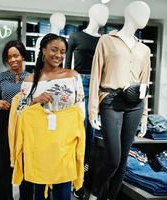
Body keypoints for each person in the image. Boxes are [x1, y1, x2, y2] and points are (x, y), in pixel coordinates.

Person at [88, 1, 151, 200]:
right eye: (143, 12)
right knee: (113, 159)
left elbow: (145, 84)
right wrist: (92, 109)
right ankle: (95, 191)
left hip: (135, 104)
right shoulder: (106, 40)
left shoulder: (144, 49)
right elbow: (96, 76)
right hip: (111, 100)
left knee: (123, 160)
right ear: (129, 13)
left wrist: (144, 116)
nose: (146, 16)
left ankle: (110, 197)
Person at [12, 33, 85, 200]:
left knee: (63, 189)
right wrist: (35, 100)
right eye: (54, 50)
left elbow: (80, 111)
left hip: (64, 143)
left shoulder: (73, 76)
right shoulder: (30, 80)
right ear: (43, 50)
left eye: (62, 51)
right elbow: (19, 112)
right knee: (40, 191)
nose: (58, 55)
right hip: (39, 145)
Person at [65, 4, 109, 199]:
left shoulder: (105, 40)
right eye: (102, 12)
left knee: (92, 134)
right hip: (78, 83)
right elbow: (67, 67)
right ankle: (71, 177)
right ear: (92, 14)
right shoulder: (75, 36)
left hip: (99, 85)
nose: (106, 16)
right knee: (76, 131)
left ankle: (81, 179)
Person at [0, 40, 33, 200]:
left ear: (23, 56)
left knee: (25, 162)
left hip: (24, 124)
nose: (12, 60)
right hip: (3, 122)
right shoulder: (0, 78)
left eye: (16, 55)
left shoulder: (31, 78)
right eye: (9, 57)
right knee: (2, 164)